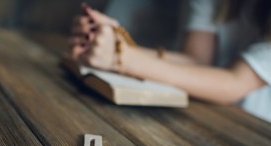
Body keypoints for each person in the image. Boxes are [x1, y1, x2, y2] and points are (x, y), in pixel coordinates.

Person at [69, 1, 271, 122]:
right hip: (200, 110)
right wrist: (116, 43)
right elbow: (196, 60)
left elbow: (233, 84)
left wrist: (121, 57)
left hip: (252, 130)